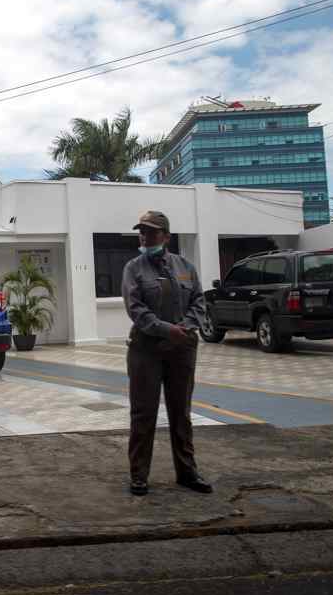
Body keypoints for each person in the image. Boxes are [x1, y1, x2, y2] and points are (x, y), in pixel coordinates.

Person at [121, 210, 213, 497]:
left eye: (151, 232)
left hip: (182, 348)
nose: (145, 237)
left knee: (181, 413)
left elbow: (199, 300)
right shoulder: (133, 268)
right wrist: (165, 329)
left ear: (166, 236)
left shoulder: (185, 267)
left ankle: (187, 472)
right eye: (142, 232)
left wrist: (184, 328)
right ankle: (139, 476)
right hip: (146, 349)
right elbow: (135, 308)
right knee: (143, 413)